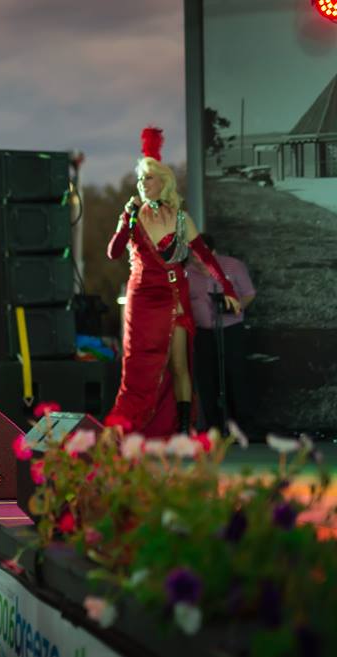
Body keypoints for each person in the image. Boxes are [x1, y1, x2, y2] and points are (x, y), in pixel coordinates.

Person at [106, 127, 240, 437]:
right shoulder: (132, 216)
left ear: (163, 181)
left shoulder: (181, 219)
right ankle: (126, 428)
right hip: (142, 298)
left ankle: (182, 428)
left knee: (179, 364)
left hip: (174, 296)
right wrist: (125, 223)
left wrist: (229, 289)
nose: (142, 183)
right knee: (138, 368)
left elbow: (206, 257)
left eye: (148, 178)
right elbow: (113, 253)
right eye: (140, 179)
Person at [188, 234, 256, 432]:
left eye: (201, 257)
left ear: (213, 253)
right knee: (206, 378)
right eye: (194, 258)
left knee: (235, 376)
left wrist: (235, 307)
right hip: (202, 333)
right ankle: (213, 426)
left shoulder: (233, 266)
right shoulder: (187, 273)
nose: (197, 262)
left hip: (230, 329)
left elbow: (249, 294)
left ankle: (242, 425)